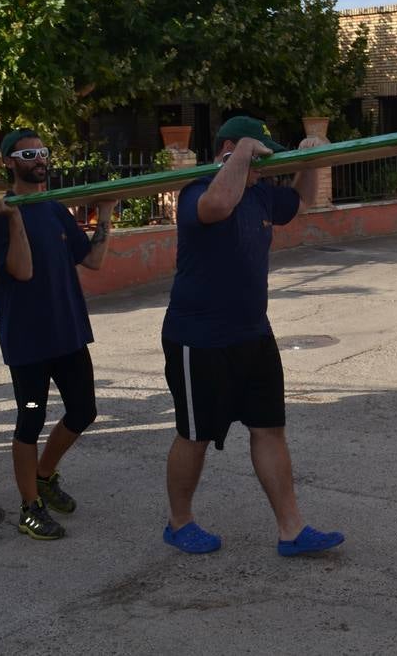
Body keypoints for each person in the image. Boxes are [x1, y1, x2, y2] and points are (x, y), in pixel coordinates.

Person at [161, 116, 344, 557]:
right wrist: (241, 154)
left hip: (253, 334)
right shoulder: (196, 190)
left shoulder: (261, 194)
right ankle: (179, 522)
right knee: (194, 434)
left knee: (269, 428)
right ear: (229, 148)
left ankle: (291, 530)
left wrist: (310, 159)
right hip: (197, 338)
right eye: (258, 153)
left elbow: (298, 200)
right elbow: (217, 207)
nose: (264, 164)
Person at [0, 130, 115, 541]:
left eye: (42, 152)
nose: (38, 159)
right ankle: (29, 508)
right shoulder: (0, 215)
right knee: (31, 418)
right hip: (29, 341)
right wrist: (16, 217)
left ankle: (43, 474)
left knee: (83, 411)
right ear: (10, 162)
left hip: (68, 331)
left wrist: (107, 213)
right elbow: (21, 272)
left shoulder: (56, 210)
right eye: (28, 153)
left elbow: (92, 260)